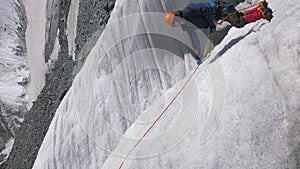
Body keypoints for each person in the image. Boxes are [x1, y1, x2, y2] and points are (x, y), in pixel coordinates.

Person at [164, 0, 273, 65]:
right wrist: (197, 56)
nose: (176, 26)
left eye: (174, 24)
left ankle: (261, 13)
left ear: (176, 19)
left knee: (238, 22)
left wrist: (211, 22)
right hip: (218, 13)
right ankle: (260, 7)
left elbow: (205, 9)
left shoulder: (189, 10)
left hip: (219, 9)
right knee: (238, 17)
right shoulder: (187, 26)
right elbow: (194, 40)